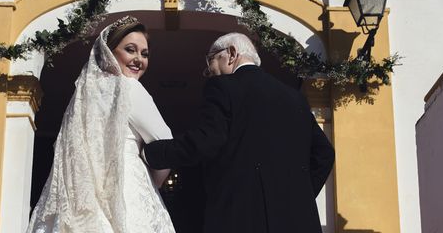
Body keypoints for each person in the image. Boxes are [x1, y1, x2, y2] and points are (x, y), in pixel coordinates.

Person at [143, 33, 335, 233]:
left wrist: (152, 153)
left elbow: (206, 141)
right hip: (299, 222)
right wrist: (298, 197)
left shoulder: (223, 87)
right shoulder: (295, 98)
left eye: (210, 60)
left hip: (241, 218)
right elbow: (324, 154)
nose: (208, 71)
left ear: (231, 54)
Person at [27, 16, 176, 233]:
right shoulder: (129, 88)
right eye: (130, 50)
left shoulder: (83, 93)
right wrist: (155, 182)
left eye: (144, 54)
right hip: (126, 189)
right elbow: (165, 144)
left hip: (81, 198)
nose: (138, 59)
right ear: (110, 50)